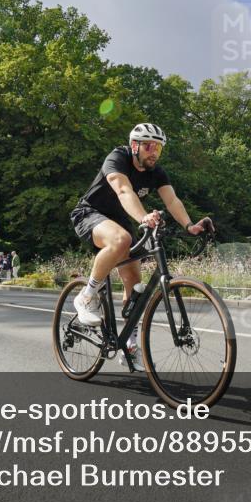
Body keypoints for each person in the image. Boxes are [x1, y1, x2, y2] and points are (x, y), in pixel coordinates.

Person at [68, 123, 212, 365]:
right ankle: (86, 295)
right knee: (121, 238)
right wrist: (144, 217)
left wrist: (190, 226)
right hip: (90, 213)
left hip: (120, 219)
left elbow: (172, 200)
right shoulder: (118, 158)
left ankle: (130, 345)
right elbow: (124, 191)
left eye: (158, 148)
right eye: (148, 146)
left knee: (135, 287)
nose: (153, 152)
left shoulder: (156, 172)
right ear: (134, 146)